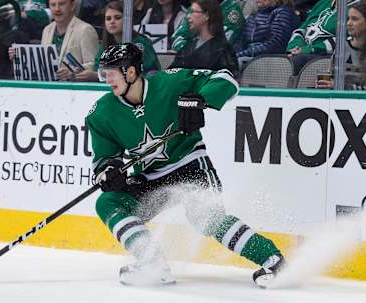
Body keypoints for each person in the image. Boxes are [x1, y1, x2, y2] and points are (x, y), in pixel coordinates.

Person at [85, 42, 286, 287]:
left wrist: (201, 99)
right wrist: (108, 171)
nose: (107, 79)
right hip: (150, 176)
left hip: (191, 165)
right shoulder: (101, 113)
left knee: (207, 218)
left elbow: (226, 79)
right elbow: (104, 158)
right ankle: (153, 263)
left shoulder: (171, 82)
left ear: (130, 71)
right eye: (104, 73)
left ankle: (272, 259)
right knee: (108, 201)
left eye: (111, 72)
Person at [8, 0, 99, 81]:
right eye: (53, 5)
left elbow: (94, 65)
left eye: (62, 4)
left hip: (74, 89)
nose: (57, 9)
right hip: (50, 88)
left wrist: (72, 72)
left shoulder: (86, 29)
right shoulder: (47, 30)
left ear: (72, 5)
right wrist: (19, 56)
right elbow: (43, 64)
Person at [73, 0, 160, 81]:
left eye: (117, 18)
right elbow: (97, 68)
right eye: (108, 19)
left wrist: (98, 76)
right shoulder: (105, 45)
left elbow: (152, 72)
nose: (112, 22)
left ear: (128, 20)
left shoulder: (141, 43)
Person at [286, 0, 359, 75]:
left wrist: (307, 50)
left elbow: (347, 40)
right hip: (302, 52)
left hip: (328, 57)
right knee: (283, 61)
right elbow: (301, 30)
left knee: (297, 61)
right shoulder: (323, 3)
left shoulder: (359, 7)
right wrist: (295, 47)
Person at [316, 1, 366, 90]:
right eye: (348, 18)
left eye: (354, 19)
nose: (349, 23)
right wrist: (326, 84)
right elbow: (331, 77)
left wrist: (342, 86)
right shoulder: (341, 47)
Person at [169, 0, 239, 74]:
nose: (188, 16)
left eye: (192, 12)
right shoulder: (187, 47)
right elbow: (171, 73)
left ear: (206, 16)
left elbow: (226, 80)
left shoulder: (223, 50)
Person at [233, 0, 299, 69]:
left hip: (271, 61)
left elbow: (276, 44)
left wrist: (240, 55)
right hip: (248, 58)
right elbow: (240, 41)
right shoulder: (253, 16)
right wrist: (232, 55)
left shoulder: (283, 13)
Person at [170, 0, 244, 51]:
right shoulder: (197, 6)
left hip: (221, 62)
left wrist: (190, 51)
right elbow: (176, 37)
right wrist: (187, 50)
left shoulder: (232, 10)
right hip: (192, 57)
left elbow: (221, 46)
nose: (190, 16)